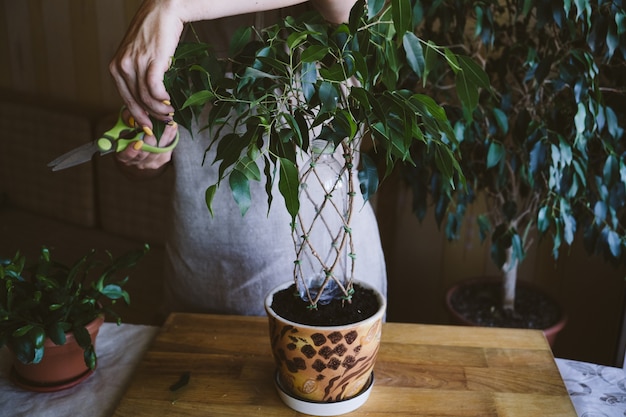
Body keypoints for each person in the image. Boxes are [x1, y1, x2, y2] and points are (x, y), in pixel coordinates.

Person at [109, 0, 387, 317]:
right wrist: (143, 159)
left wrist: (172, 6)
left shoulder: (167, 7)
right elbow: (167, 151)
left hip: (324, 279)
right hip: (200, 273)